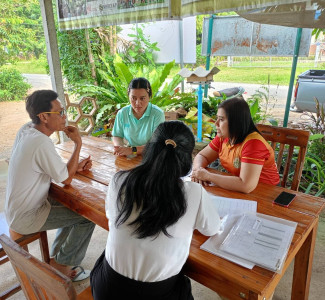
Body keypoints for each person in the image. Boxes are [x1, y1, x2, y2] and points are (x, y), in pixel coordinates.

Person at [91, 121, 221, 300]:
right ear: (186, 158)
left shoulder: (119, 180)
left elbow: (111, 216)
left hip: (109, 289)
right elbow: (212, 229)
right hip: (159, 293)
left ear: (151, 148)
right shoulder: (194, 193)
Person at [5, 90, 95, 281]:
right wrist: (78, 143)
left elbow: (57, 172)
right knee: (87, 216)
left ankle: (56, 257)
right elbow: (66, 179)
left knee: (73, 208)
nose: (64, 117)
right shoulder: (41, 142)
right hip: (27, 216)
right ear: (44, 117)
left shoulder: (26, 130)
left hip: (17, 208)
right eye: (60, 113)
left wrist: (73, 168)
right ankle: (62, 265)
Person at [191, 97, 280, 193]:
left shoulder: (253, 144)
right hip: (239, 190)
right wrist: (198, 171)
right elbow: (202, 156)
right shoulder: (224, 137)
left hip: (266, 194)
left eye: (221, 119)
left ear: (235, 122)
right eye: (217, 118)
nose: (215, 123)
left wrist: (207, 176)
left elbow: (245, 185)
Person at [112, 77, 165, 156]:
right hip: (130, 156)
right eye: (133, 98)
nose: (137, 103)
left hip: (151, 156)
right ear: (129, 97)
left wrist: (132, 150)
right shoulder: (122, 113)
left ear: (149, 97)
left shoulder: (157, 114)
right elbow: (117, 135)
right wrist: (120, 147)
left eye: (142, 98)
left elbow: (157, 144)